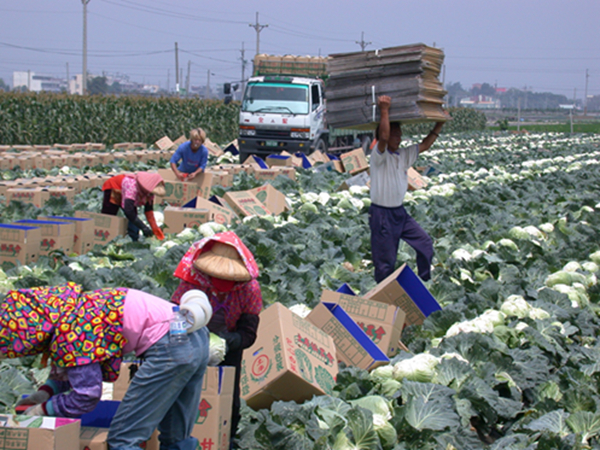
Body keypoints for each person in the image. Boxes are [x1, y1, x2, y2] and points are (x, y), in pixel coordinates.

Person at [0, 282, 212, 450]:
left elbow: (86, 395)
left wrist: (42, 411)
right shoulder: (75, 310)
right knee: (176, 436)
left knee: (123, 439)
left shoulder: (73, 331)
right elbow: (72, 371)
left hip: (170, 344)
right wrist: (44, 394)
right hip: (192, 333)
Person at [171, 231, 262, 448]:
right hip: (191, 343)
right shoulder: (192, 284)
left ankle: (225, 436)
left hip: (227, 347)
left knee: (228, 398)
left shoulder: (249, 290)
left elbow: (249, 333)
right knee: (184, 392)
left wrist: (228, 340)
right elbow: (175, 319)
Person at [369, 95, 446, 283]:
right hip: (382, 215)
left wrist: (439, 123)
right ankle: (383, 295)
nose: (399, 137)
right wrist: (384, 110)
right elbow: (384, 137)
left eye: (400, 133)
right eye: (396, 134)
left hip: (399, 214)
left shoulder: (403, 155)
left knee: (425, 243)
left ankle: (424, 281)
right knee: (385, 262)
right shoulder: (379, 156)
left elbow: (425, 145)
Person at [101, 171, 166, 241]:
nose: (152, 195)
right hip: (114, 187)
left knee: (134, 222)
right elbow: (129, 211)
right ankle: (102, 237)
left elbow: (148, 210)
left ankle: (133, 240)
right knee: (109, 217)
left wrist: (155, 229)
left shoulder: (149, 193)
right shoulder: (132, 187)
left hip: (128, 194)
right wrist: (143, 227)